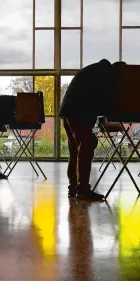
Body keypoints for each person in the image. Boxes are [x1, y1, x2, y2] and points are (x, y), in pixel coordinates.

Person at [59, 59, 116, 201]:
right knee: (86, 148)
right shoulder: (104, 74)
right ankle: (83, 189)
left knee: (74, 151)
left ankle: (73, 187)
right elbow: (104, 99)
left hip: (67, 111)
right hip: (79, 112)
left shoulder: (92, 70)